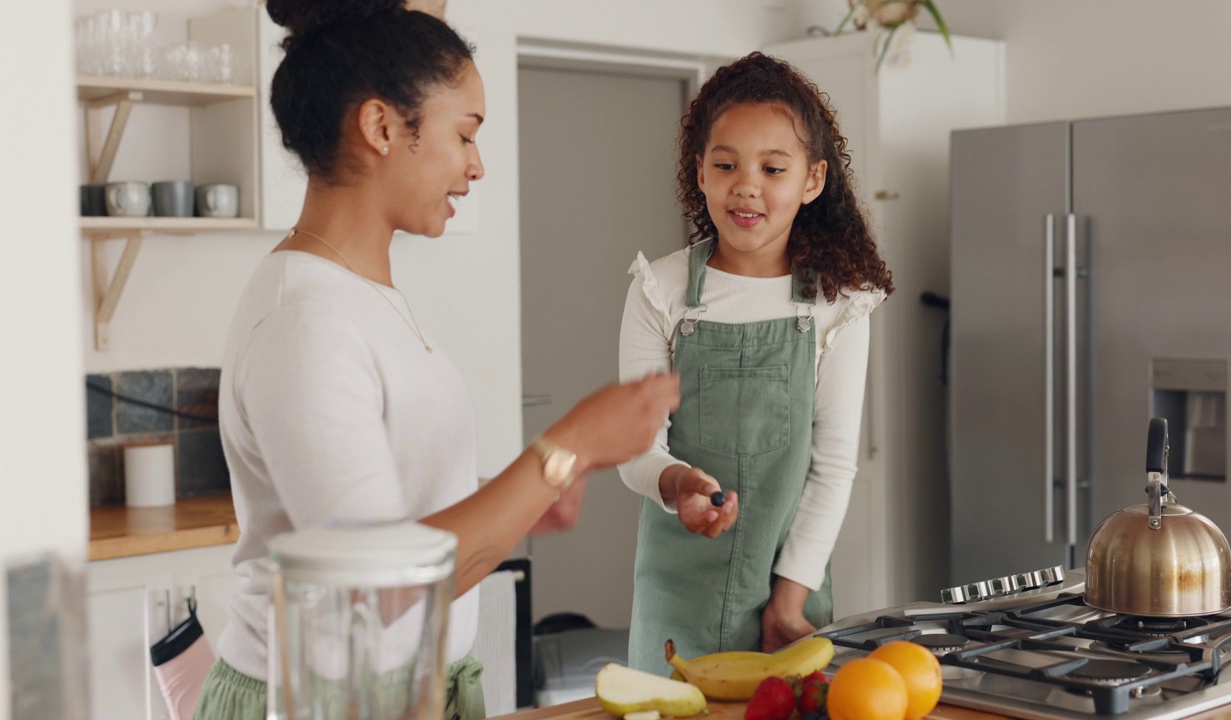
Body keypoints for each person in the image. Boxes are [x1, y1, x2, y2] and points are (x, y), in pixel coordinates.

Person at [193, 2, 681, 718]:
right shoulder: (304, 320)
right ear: (383, 127)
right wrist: (564, 446)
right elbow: (377, 585)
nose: (476, 166)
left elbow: (401, 520)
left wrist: (531, 493)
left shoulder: (360, 294)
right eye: (465, 134)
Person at [618, 52, 894, 675]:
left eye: (773, 168)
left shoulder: (838, 301)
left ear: (812, 180)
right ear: (701, 172)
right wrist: (678, 485)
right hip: (673, 602)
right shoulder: (657, 289)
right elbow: (637, 450)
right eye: (726, 165)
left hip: (788, 600)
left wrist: (788, 600)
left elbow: (833, 464)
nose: (747, 185)